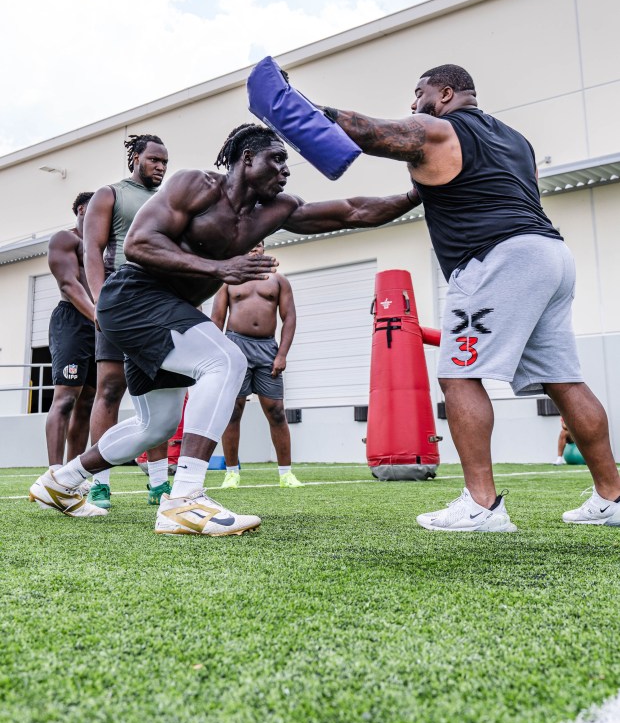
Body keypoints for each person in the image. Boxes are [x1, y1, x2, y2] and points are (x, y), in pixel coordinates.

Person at [29, 122, 419, 535]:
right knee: (226, 360)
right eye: (278, 160)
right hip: (134, 296)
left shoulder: (276, 209)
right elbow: (138, 244)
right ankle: (184, 500)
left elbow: (353, 210)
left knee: (156, 424)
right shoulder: (194, 185)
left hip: (170, 309)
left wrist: (416, 194)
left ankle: (61, 481)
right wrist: (221, 268)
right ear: (247, 159)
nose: (286, 171)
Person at [315, 63, 620, 531]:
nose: (413, 105)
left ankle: (482, 505)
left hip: (495, 260)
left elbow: (372, 132)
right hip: (550, 255)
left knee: (459, 377)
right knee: (564, 379)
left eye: (418, 94)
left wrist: (300, 109)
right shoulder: (517, 141)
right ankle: (612, 496)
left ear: (445, 93)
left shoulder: (437, 128)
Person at [83, 133, 170, 508]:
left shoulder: (169, 200)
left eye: (165, 162)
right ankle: (99, 482)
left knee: (160, 391)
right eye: (154, 160)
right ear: (135, 158)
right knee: (110, 389)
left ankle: (159, 484)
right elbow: (92, 249)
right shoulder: (110, 194)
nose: (161, 167)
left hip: (161, 306)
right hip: (121, 301)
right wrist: (101, 300)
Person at [211, 241, 301, 489]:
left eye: (259, 244)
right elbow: (217, 319)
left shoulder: (278, 280)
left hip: (267, 349)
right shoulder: (229, 280)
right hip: (235, 346)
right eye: (250, 243)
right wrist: (218, 354)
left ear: (263, 248)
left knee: (276, 412)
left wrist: (282, 354)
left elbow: (289, 317)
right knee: (233, 412)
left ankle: (286, 474)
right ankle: (231, 473)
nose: (254, 248)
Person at [44, 192, 96, 471]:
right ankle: (54, 472)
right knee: (66, 397)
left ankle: (72, 475)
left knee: (87, 401)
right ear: (80, 209)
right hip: (73, 320)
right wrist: (97, 315)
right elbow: (68, 284)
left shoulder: (103, 246)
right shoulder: (66, 239)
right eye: (94, 206)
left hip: (99, 325)